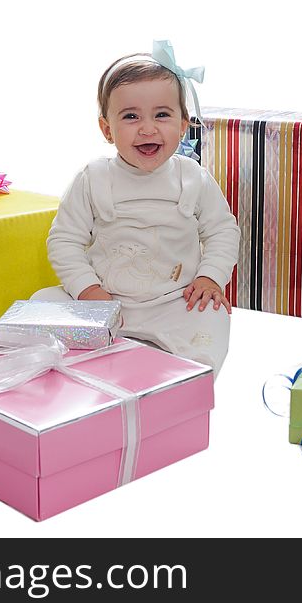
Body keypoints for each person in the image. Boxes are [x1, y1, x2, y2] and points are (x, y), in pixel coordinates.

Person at [34, 41, 240, 377]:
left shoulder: (193, 178)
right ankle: (74, 373)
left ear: (183, 124)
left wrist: (209, 277)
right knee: (42, 302)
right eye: (131, 116)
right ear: (107, 129)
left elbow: (222, 231)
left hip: (175, 301)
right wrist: (89, 290)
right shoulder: (93, 178)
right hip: (105, 299)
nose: (147, 128)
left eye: (162, 115)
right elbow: (64, 240)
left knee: (213, 320)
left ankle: (182, 387)